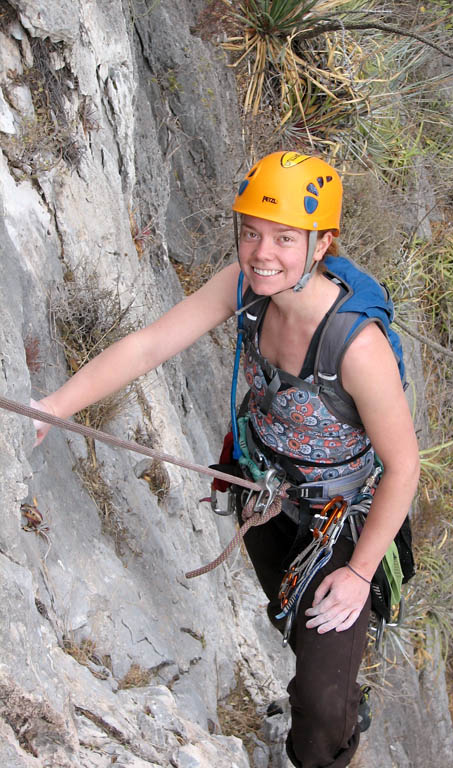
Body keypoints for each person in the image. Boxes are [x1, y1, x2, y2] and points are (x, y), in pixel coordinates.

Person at [33, 151, 420, 768]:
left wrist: (360, 573)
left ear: (322, 245)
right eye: (250, 232)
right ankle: (337, 695)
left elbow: (403, 467)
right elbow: (153, 342)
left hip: (342, 523)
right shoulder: (245, 288)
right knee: (296, 629)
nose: (261, 251)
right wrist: (55, 405)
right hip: (262, 494)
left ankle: (328, 738)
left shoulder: (355, 345)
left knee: (321, 705)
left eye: (285, 238)